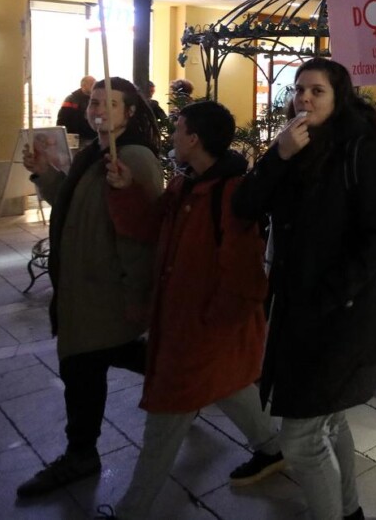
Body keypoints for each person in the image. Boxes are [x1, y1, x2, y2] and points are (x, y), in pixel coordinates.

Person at [231, 58, 376, 520]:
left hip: (338, 313)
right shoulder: (293, 147)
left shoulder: (359, 149)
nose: (304, 98)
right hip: (295, 308)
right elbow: (246, 204)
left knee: (301, 437)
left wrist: (330, 295)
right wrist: (277, 156)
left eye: (317, 91)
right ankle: (348, 511)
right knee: (330, 417)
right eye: (299, 89)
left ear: (338, 97)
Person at [102, 101, 281, 517]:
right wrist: (126, 188)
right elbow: (148, 227)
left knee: (166, 416)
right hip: (187, 325)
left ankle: (132, 509)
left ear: (195, 138)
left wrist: (206, 329)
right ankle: (271, 449)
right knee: (234, 388)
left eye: (179, 129)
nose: (173, 136)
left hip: (200, 334)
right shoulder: (184, 185)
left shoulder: (231, 194)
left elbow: (243, 276)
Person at [17, 78, 163, 499]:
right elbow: (71, 201)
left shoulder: (133, 157)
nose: (99, 109)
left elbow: (146, 229)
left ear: (130, 113)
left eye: (111, 104)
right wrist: (45, 172)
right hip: (83, 290)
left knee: (83, 366)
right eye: (95, 102)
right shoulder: (93, 155)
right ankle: (191, 388)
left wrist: (139, 294)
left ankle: (81, 453)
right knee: (103, 361)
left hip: (106, 292)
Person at [56, 75, 98, 142]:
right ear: (83, 85)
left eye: (95, 84)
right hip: (76, 139)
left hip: (94, 137)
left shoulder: (97, 100)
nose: (94, 86)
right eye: (92, 84)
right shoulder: (71, 99)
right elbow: (62, 119)